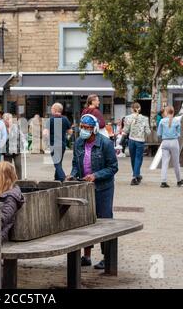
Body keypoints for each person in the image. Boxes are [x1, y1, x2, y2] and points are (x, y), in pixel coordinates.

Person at [67, 114, 118, 270]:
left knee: (105, 221)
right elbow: (76, 163)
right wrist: (73, 174)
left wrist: (95, 176)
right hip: (85, 186)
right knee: (85, 220)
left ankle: (107, 257)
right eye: (82, 127)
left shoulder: (106, 144)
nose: (84, 131)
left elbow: (113, 167)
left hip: (103, 188)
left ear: (94, 129)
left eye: (87, 128)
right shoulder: (78, 143)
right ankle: (86, 256)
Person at [123, 102, 151, 185]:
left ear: (132, 109)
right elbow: (148, 132)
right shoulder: (145, 118)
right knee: (138, 158)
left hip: (131, 140)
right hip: (140, 141)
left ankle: (137, 175)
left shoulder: (127, 118)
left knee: (133, 158)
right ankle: (135, 176)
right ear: (140, 108)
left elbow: (126, 130)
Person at [43, 103, 72, 182]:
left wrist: (46, 137)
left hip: (54, 144)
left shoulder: (50, 120)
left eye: (52, 109)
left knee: (57, 163)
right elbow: (70, 132)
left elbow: (45, 133)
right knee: (59, 162)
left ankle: (63, 178)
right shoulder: (65, 119)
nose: (51, 110)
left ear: (55, 110)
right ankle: (57, 179)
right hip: (62, 144)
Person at [157, 106, 183, 188]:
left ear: (166, 112)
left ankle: (163, 181)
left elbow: (159, 133)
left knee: (165, 162)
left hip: (165, 142)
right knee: (176, 162)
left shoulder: (162, 121)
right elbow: (179, 134)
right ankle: (179, 180)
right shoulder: (176, 121)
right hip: (174, 142)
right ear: (173, 112)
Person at [2, 113, 25, 179]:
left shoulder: (16, 127)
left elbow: (22, 136)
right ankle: (8, 179)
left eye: (9, 119)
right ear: (4, 120)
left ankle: (19, 179)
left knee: (18, 165)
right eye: (6, 119)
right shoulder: (2, 128)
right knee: (7, 166)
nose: (8, 121)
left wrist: (24, 142)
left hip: (17, 148)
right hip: (7, 150)